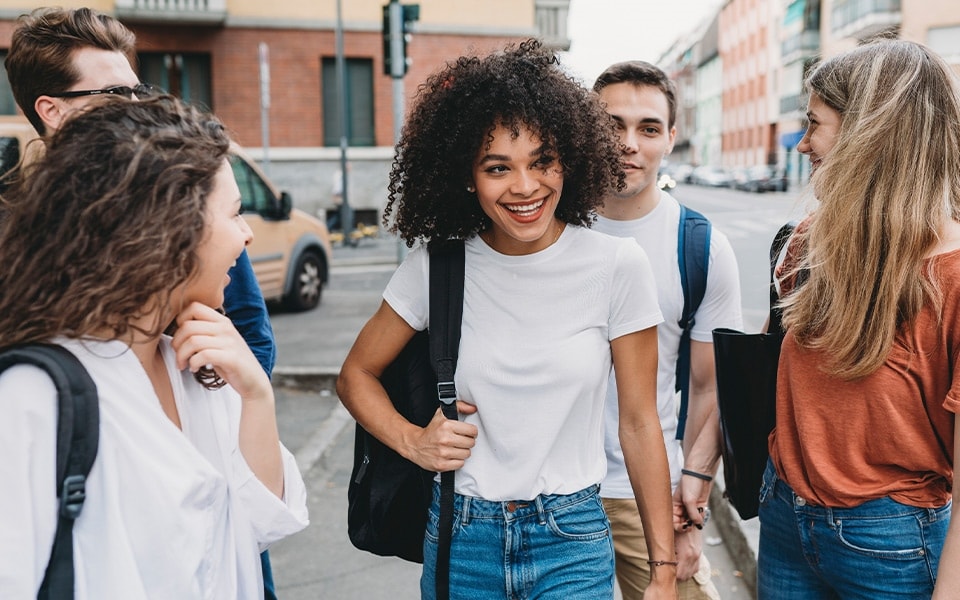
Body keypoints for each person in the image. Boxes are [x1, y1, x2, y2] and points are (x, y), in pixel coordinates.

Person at [337, 40, 678, 599]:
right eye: (499, 168)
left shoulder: (616, 266)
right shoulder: (438, 265)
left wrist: (663, 570)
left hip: (571, 539)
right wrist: (412, 441)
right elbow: (355, 375)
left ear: (568, 158)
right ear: (469, 176)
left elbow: (640, 425)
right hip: (462, 537)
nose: (525, 187)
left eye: (542, 161)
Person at [3, 8, 282, 595]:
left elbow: (258, 517)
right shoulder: (38, 395)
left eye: (138, 91)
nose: (136, 108)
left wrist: (246, 388)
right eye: (115, 93)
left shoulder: (199, 352)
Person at [759, 39, 960, 599]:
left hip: (889, 542)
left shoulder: (954, 276)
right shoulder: (808, 243)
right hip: (782, 513)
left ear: (869, 132)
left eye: (815, 124)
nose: (802, 144)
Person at [592, 61, 742, 600]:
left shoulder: (699, 246)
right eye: (611, 124)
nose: (629, 143)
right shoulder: (542, 223)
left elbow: (709, 387)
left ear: (671, 138)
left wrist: (691, 508)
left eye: (648, 128)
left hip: (648, 491)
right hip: (551, 492)